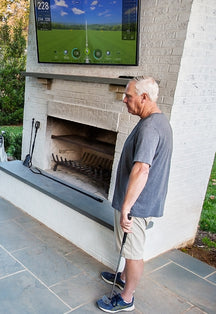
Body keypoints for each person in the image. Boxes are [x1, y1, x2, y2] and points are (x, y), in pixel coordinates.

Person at [97, 77, 173, 312]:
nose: (124, 99)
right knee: (130, 249)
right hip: (141, 202)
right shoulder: (157, 121)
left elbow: (142, 169)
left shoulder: (150, 127)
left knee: (133, 253)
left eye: (128, 96)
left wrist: (127, 208)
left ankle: (127, 298)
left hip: (136, 206)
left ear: (144, 98)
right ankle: (122, 277)